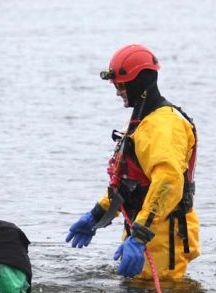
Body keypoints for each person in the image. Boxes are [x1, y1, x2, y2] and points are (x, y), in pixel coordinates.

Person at [65, 44, 199, 280]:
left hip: (162, 235)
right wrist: (98, 214)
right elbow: (131, 183)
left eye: (121, 85)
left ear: (140, 82)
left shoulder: (163, 125)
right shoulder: (144, 121)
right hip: (147, 230)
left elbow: (168, 182)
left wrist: (139, 235)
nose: (117, 92)